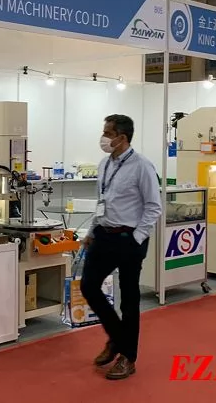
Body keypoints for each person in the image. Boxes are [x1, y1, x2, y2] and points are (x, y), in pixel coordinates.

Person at [80, 114, 162, 380]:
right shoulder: (104, 164)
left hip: (129, 237)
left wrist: (136, 238)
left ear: (122, 138)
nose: (103, 138)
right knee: (88, 286)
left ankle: (128, 357)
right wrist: (91, 231)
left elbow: (154, 207)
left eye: (108, 133)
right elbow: (102, 201)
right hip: (103, 234)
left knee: (129, 298)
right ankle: (117, 338)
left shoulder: (142, 166)